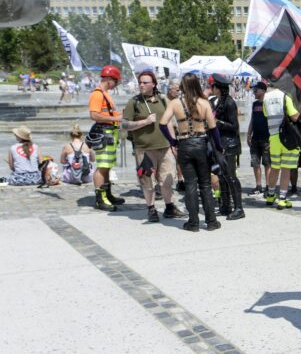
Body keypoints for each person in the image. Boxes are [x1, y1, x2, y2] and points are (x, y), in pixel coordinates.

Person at [159, 72, 222, 232]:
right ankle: (211, 221)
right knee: (205, 184)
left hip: (184, 144)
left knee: (190, 184)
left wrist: (173, 141)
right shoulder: (204, 103)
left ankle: (193, 223)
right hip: (201, 143)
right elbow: (213, 128)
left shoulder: (175, 103)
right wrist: (219, 147)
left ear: (182, 86)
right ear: (197, 85)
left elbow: (162, 123)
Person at [122, 70, 184, 223]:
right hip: (144, 149)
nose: (141, 85)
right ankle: (151, 209)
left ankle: (169, 207)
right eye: (140, 82)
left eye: (145, 82)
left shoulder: (163, 100)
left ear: (154, 84)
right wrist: (145, 122)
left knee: (167, 179)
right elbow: (124, 124)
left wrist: (173, 142)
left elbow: (168, 122)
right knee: (147, 181)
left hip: (165, 147)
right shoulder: (134, 102)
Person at [88, 65, 125, 212]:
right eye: (115, 81)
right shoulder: (97, 94)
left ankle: (107, 194)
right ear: (109, 79)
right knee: (102, 166)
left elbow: (106, 113)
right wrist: (116, 118)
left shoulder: (105, 93)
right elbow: (94, 115)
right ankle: (100, 199)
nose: (116, 85)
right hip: (104, 133)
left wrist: (119, 115)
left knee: (107, 166)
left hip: (109, 133)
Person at [211, 74, 245, 220]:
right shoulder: (219, 101)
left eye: (212, 86)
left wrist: (218, 122)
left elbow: (234, 126)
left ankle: (239, 208)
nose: (211, 88)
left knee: (231, 176)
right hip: (221, 143)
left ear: (218, 88)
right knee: (222, 176)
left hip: (230, 144)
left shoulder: (230, 103)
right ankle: (226, 206)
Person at [262, 84, 301, 209]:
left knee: (275, 167)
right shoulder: (285, 96)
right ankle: (282, 199)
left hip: (273, 138)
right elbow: (294, 116)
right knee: (286, 169)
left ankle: (270, 195)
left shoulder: (266, 97)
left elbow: (266, 114)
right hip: (287, 138)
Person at [247, 81, 271, 197]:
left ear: (263, 90)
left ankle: (268, 187)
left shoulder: (268, 103)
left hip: (267, 139)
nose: (254, 92)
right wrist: (248, 134)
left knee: (267, 163)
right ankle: (258, 186)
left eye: (256, 90)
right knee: (255, 163)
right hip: (255, 138)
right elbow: (252, 119)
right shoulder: (254, 104)